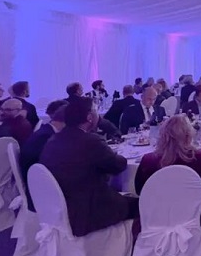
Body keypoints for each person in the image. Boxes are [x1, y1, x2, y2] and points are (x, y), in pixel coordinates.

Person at [40, 96, 137, 237]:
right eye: (96, 111)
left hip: (61, 208)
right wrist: (117, 154)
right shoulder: (90, 141)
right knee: (142, 204)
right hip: (88, 210)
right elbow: (118, 166)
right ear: (90, 117)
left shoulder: (54, 140)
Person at [134, 115, 201, 228]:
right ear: (188, 136)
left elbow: (140, 190)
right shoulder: (200, 157)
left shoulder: (148, 160)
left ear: (162, 136)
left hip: (157, 219)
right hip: (194, 217)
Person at [20, 100, 68, 212]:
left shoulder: (46, 131)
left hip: (36, 182)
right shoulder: (46, 137)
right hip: (40, 191)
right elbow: (51, 166)